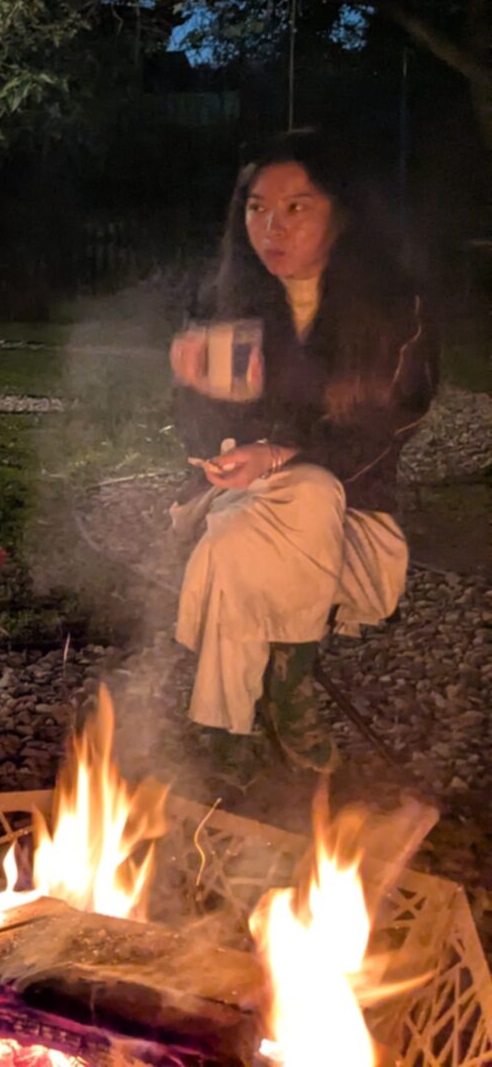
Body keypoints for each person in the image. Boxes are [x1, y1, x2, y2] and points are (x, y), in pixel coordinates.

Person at [169, 129, 437, 775]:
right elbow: (203, 434)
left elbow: (385, 427)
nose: (272, 227)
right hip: (238, 503)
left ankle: (224, 727)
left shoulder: (394, 313)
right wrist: (198, 393)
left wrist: (278, 454)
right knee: (252, 521)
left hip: (352, 526)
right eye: (257, 207)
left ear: (340, 213)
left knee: (299, 498)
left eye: (297, 207)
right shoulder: (230, 303)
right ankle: (288, 692)